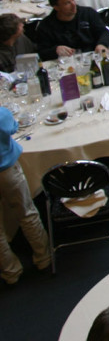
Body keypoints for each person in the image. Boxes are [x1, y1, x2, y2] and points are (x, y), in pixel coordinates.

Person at [0, 105, 51, 284]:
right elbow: (12, 127)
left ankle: (11, 272)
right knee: (26, 213)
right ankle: (43, 257)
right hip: (6, 170)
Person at [37, 0, 109, 61]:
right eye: (67, 3)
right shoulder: (46, 26)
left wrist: (102, 44)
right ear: (56, 7)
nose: (74, 5)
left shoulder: (88, 13)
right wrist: (55, 50)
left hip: (92, 57)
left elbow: (104, 33)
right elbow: (41, 52)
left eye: (73, 0)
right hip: (65, 62)